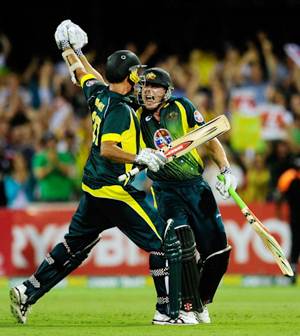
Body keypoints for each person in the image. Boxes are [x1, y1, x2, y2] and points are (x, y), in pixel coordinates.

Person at [9, 20, 189, 326]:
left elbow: (83, 74)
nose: (142, 79)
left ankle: (27, 290)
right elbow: (108, 148)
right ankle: (166, 312)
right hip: (114, 188)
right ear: (130, 75)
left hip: (94, 188)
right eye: (138, 73)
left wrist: (70, 49)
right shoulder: (119, 108)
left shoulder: (101, 94)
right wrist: (139, 157)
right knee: (164, 241)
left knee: (74, 247)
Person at [135, 67, 237, 323]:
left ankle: (199, 302)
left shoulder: (182, 107)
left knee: (218, 253)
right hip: (165, 190)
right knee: (181, 244)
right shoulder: (136, 117)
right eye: (145, 86)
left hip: (196, 186)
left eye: (154, 87)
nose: (148, 91)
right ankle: (185, 307)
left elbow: (210, 139)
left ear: (166, 91)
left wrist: (225, 170)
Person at [276, 156, 300, 284]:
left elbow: (279, 197)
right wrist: (278, 211)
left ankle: (293, 270)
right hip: (295, 217)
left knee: (295, 243)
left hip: (295, 217)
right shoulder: (288, 178)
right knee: (295, 243)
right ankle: (293, 269)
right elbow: (279, 196)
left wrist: (278, 210)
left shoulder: (288, 177)